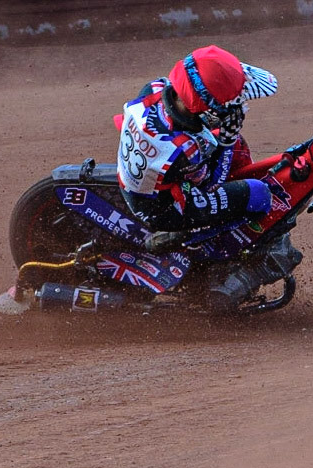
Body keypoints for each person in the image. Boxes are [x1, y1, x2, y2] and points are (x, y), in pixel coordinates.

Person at [115, 45, 301, 310]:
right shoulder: (185, 149)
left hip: (147, 174)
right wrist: (227, 139)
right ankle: (208, 248)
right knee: (259, 193)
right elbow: (212, 182)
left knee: (236, 151)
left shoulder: (155, 89)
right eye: (228, 104)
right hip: (165, 207)